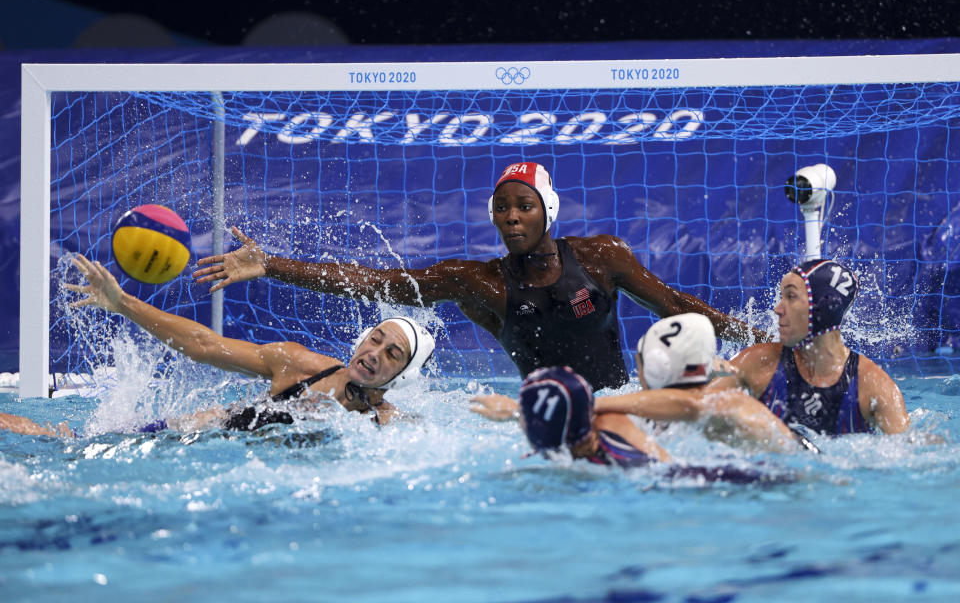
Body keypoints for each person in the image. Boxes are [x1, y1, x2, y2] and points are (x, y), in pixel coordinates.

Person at [194, 161, 766, 391]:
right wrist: (272, 265)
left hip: (623, 402)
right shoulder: (476, 281)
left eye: (524, 206)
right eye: (502, 207)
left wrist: (759, 340)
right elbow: (376, 283)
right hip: (543, 412)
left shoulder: (601, 258)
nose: (512, 217)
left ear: (548, 210)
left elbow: (677, 307)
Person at [0, 255, 435, 438]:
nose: (375, 351)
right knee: (65, 442)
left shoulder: (387, 424)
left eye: (392, 354)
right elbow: (203, 345)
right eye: (375, 339)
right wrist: (123, 303)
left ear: (400, 376)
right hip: (198, 437)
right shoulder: (300, 366)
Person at [470, 366, 789, 484]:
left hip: (715, 482)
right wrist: (517, 412)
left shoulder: (625, 472)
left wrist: (520, 414)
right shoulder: (611, 421)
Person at [709, 259, 909, 435]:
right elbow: (695, 410)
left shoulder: (875, 388)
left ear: (824, 307)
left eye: (791, 297)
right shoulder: (756, 362)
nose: (777, 309)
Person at [593, 313, 819, 454]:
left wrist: (594, 404)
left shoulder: (728, 402)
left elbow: (692, 405)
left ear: (655, 367)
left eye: (640, 362)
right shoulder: (665, 414)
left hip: (806, 475)